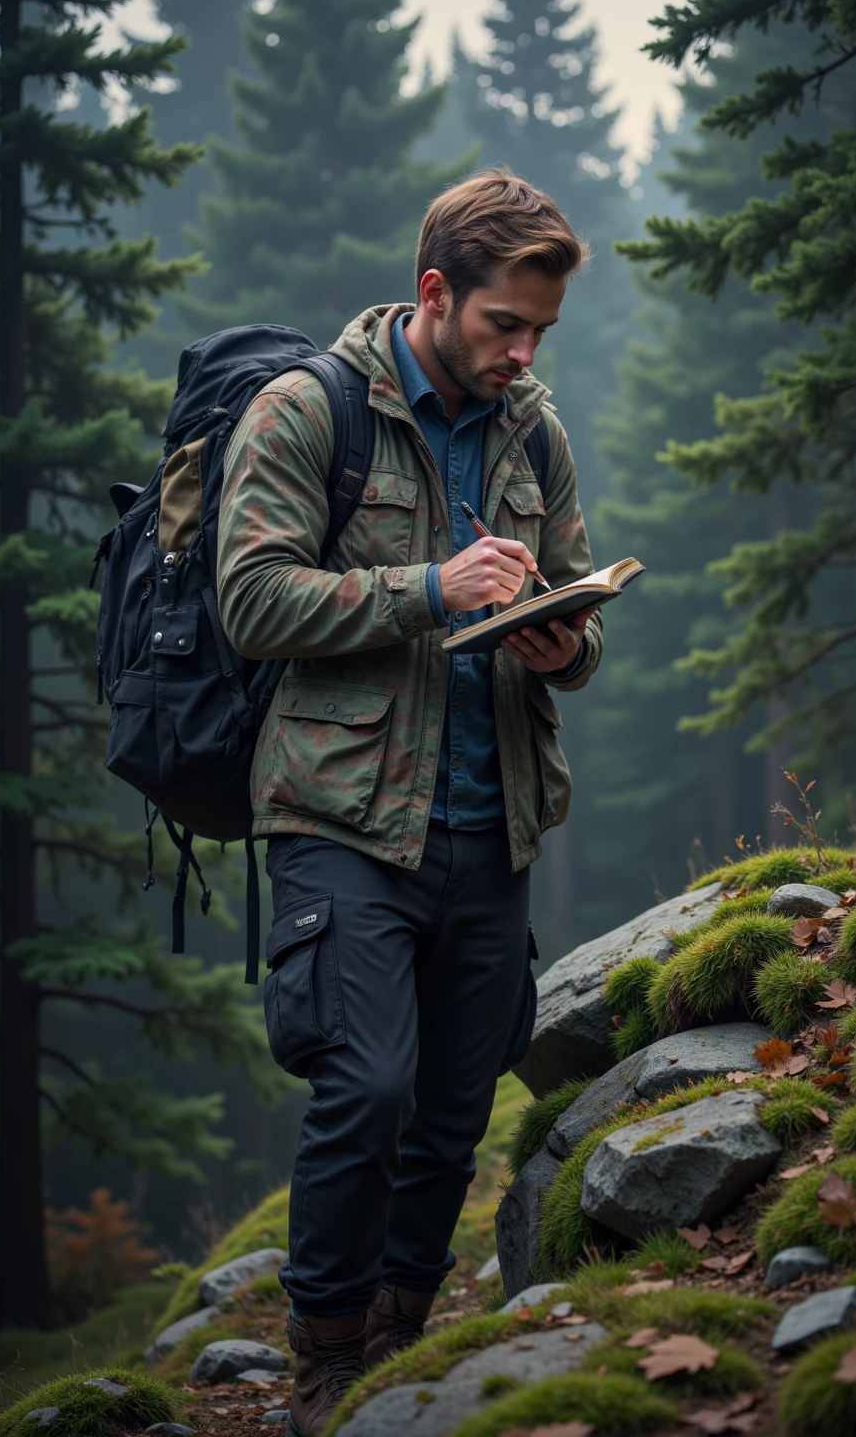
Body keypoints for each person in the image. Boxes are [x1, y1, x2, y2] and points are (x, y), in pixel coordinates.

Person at [217, 169, 603, 1435]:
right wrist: (428, 589)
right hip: (339, 819)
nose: (523, 351)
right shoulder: (305, 413)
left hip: (492, 822)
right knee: (369, 1088)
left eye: (540, 329)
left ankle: (401, 1339)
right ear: (435, 293)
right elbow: (254, 600)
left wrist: (563, 642)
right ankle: (322, 1356)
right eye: (504, 325)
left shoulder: (529, 428)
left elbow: (563, 601)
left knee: (450, 1104)